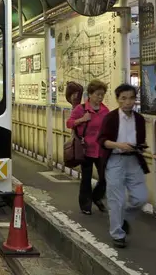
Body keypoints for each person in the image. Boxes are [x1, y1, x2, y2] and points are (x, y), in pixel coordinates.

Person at [97, 84, 149, 248]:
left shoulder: (139, 119)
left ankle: (124, 218)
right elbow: (102, 141)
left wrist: (140, 146)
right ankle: (118, 234)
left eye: (131, 98)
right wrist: (119, 145)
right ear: (118, 99)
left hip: (134, 160)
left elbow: (140, 140)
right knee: (116, 200)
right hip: (115, 160)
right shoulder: (111, 118)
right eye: (124, 98)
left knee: (141, 198)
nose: (128, 102)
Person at [67, 80, 109, 215]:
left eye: (102, 95)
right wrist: (82, 119)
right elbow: (69, 123)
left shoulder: (104, 110)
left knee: (105, 177)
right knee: (86, 178)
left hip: (101, 149)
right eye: (97, 94)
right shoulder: (81, 109)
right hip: (85, 149)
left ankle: (96, 197)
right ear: (90, 94)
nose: (100, 98)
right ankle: (86, 205)